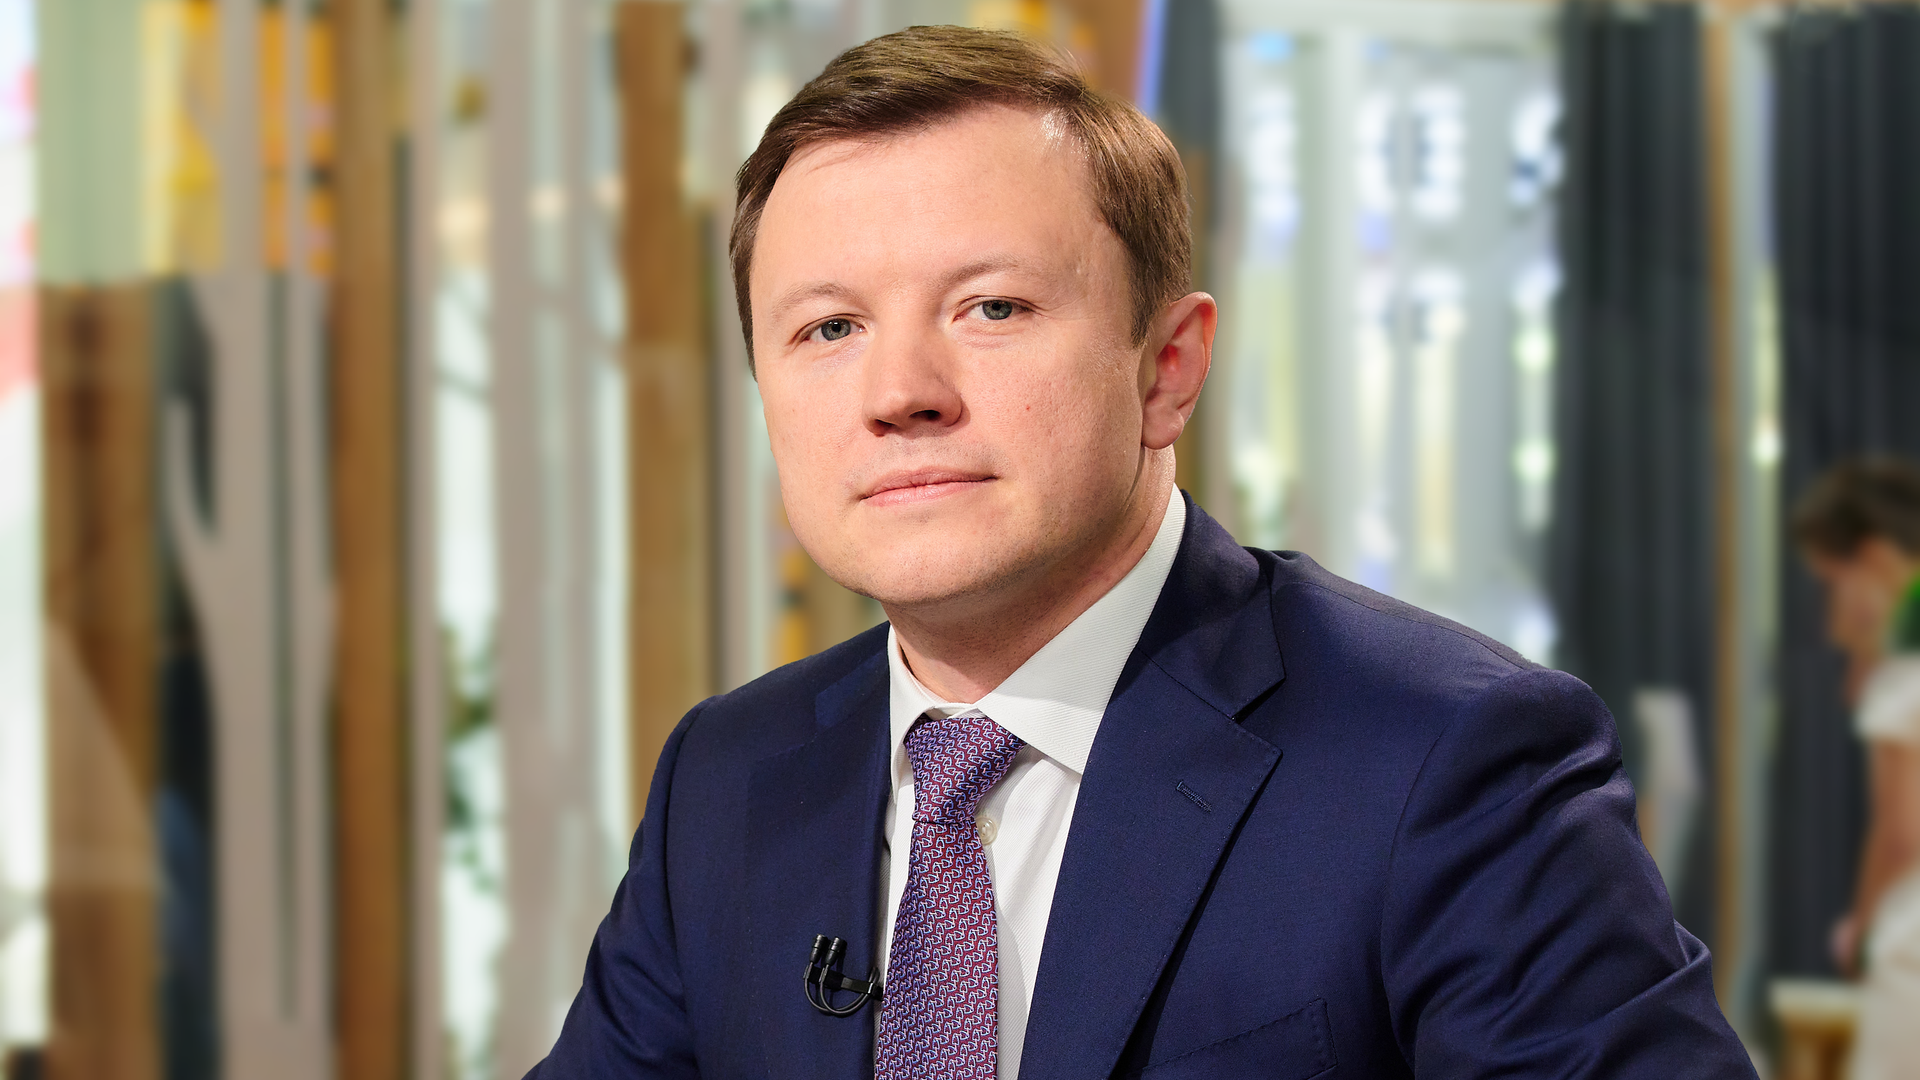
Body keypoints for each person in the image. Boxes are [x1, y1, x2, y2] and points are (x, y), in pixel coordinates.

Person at [528, 26, 1753, 1078]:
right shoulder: (729, 778)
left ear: (1167, 370)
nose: (899, 392)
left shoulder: (1446, 757)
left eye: (991, 308)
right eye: (829, 327)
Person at [1794, 458, 1920, 1080]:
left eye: (1832, 583)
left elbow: (1901, 834)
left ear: (1871, 560)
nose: (1832, 617)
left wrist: (1862, 933)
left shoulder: (1906, 672)